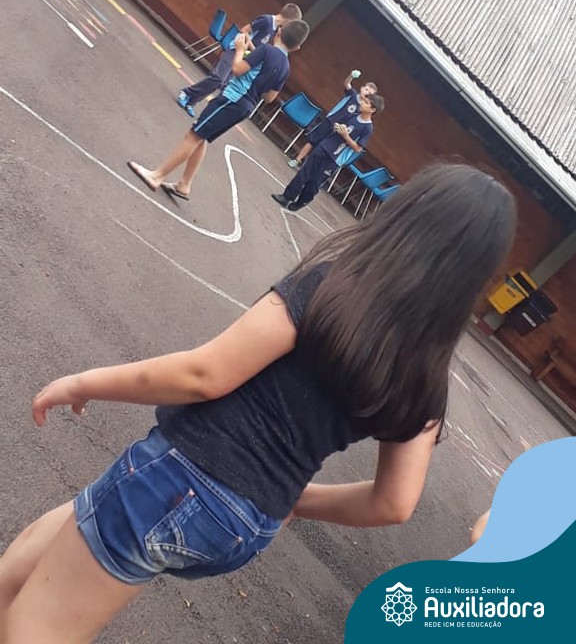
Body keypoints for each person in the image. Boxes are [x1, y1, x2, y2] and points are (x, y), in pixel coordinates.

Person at [0, 164, 516, 643]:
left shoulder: (333, 288)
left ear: (408, 215)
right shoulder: (428, 379)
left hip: (177, 482)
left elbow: (204, 375)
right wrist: (293, 499)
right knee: (26, 561)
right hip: (242, 527)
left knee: (37, 628)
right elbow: (393, 504)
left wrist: (85, 382)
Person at [128, 19, 310, 201]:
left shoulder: (265, 50)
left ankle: (157, 176)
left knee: (193, 136)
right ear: (297, 47)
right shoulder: (285, 67)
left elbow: (237, 69)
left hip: (232, 98)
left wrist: (240, 50)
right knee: (202, 137)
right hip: (246, 107)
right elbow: (269, 97)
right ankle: (184, 184)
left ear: (279, 31)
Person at [178, 3, 303, 117]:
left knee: (222, 83)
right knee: (218, 78)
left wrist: (255, 53)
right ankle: (187, 93)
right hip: (236, 50)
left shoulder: (275, 29)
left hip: (244, 56)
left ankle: (192, 101)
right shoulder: (266, 20)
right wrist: (252, 49)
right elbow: (244, 30)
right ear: (289, 20)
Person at [273, 93, 385, 211]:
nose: (362, 103)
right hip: (325, 146)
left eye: (366, 103)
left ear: (372, 110)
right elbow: (340, 125)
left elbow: (358, 148)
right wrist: (338, 127)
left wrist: (346, 136)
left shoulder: (367, 128)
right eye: (363, 101)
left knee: (314, 183)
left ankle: (301, 202)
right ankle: (287, 196)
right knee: (304, 172)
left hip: (335, 157)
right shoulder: (353, 115)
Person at [287, 72, 379, 169]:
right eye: (366, 89)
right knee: (312, 141)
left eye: (370, 93)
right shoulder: (353, 94)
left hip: (339, 131)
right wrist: (351, 76)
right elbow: (347, 84)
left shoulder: (363, 110)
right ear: (362, 88)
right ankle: (297, 159)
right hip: (330, 121)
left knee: (322, 148)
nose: (366, 93)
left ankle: (308, 167)